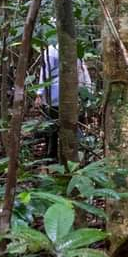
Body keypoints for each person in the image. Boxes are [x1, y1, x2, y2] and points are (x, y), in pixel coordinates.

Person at [34, 26, 93, 161]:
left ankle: (54, 155)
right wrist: (87, 91)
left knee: (53, 126)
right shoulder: (74, 48)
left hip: (54, 96)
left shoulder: (50, 51)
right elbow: (82, 72)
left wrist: (39, 93)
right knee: (72, 124)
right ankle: (77, 153)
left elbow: (45, 73)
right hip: (71, 93)